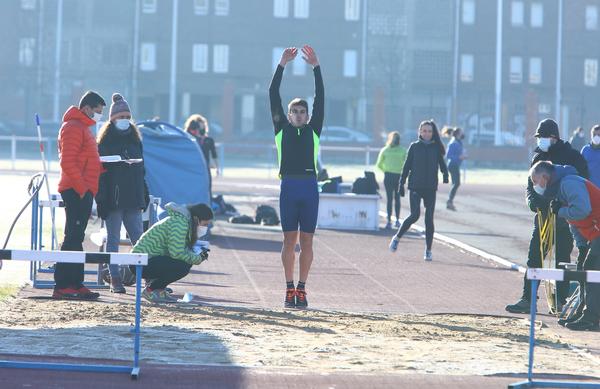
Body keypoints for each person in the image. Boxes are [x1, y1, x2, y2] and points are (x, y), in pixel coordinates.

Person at [506, 119, 589, 314]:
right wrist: (531, 201)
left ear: (554, 137)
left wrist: (564, 207)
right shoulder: (537, 156)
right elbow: (530, 184)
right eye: (538, 137)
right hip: (542, 217)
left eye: (543, 137)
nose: (540, 140)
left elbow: (582, 182)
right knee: (534, 257)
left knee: (561, 259)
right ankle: (528, 299)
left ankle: (560, 302)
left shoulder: (572, 156)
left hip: (565, 219)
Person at [269, 45, 323, 309]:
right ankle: (289, 288)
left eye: (303, 112)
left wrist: (316, 67)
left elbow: (321, 96)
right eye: (295, 112)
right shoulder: (281, 130)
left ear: (308, 115)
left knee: (307, 240)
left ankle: (302, 289)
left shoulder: (314, 131)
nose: (299, 115)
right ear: (289, 116)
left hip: (310, 188)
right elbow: (272, 94)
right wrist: (282, 64)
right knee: (289, 240)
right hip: (289, 187)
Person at [529, 161, 600, 331]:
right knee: (584, 270)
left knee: (592, 270)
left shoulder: (569, 183)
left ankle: (591, 317)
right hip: (593, 234)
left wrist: (560, 211)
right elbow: (573, 223)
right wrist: (582, 246)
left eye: (535, 181)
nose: (534, 186)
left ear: (545, 178)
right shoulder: (558, 191)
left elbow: (582, 210)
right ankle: (584, 312)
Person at [53, 91, 106, 300]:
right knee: (72, 237)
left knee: (77, 237)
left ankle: (75, 283)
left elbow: (86, 160)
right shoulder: (73, 127)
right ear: (86, 108)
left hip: (83, 189)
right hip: (76, 190)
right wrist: (83, 188)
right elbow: (68, 161)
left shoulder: (82, 127)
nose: (99, 116)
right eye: (98, 111)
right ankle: (63, 285)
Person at [95, 93, 149, 293]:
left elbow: (142, 171)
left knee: (140, 239)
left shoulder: (136, 140)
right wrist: (101, 200)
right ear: (112, 119)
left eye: (127, 117)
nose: (124, 121)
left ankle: (147, 278)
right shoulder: (105, 141)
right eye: (120, 117)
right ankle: (114, 277)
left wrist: (145, 194)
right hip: (113, 199)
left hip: (133, 199)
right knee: (113, 239)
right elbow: (101, 174)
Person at [389, 120, 449, 261]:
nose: (426, 133)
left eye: (429, 131)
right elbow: (406, 166)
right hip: (415, 186)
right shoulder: (414, 147)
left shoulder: (436, 148)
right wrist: (401, 183)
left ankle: (428, 250)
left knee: (429, 219)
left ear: (433, 133)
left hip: (430, 187)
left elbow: (442, 164)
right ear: (420, 132)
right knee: (415, 215)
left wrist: (445, 174)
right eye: (424, 131)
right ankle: (397, 237)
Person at [131, 203, 212, 303]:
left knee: (183, 263)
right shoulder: (179, 224)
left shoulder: (183, 222)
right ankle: (150, 290)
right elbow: (176, 253)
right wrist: (198, 258)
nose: (205, 228)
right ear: (196, 219)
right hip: (139, 262)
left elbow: (178, 249)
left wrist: (196, 252)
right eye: (205, 224)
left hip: (146, 259)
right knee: (182, 266)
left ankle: (159, 290)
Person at [376, 131, 407, 229]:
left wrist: (386, 170)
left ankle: (390, 221)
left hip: (390, 176)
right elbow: (407, 163)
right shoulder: (402, 150)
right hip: (397, 176)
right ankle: (395, 220)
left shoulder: (385, 150)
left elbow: (379, 164)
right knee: (396, 199)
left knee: (390, 199)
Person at [185, 114, 218, 199]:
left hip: (205, 168)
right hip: (192, 168)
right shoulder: (190, 139)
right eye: (198, 125)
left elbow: (214, 154)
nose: (200, 127)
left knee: (207, 187)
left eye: (202, 124)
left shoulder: (209, 140)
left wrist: (217, 167)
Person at [443, 127, 466, 211]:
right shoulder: (453, 143)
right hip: (453, 165)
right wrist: (459, 157)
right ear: (458, 134)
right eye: (461, 132)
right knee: (456, 183)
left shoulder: (459, 142)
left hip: (455, 165)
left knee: (455, 183)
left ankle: (450, 202)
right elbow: (448, 156)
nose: (463, 134)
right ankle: (449, 201)